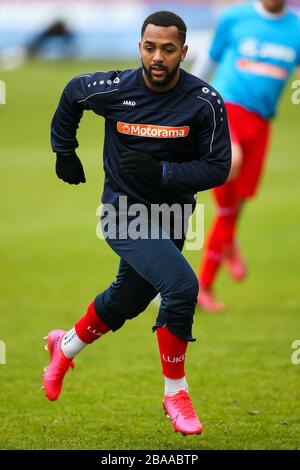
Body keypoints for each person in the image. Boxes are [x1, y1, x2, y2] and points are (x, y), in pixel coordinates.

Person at [43, 11, 231, 436]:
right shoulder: (113, 88)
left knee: (126, 300)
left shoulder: (204, 101)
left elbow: (218, 168)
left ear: (183, 51)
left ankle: (64, 345)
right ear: (139, 47)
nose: (158, 57)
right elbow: (73, 94)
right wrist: (64, 150)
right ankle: (175, 393)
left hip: (172, 216)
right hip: (123, 213)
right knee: (182, 288)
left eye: (168, 49)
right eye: (150, 47)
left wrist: (163, 174)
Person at [192, 0, 300, 312]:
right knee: (231, 163)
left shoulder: (295, 29)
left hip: (261, 122)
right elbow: (208, 59)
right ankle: (225, 247)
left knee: (236, 204)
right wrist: (186, 98)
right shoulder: (235, 17)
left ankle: (207, 283)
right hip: (224, 108)